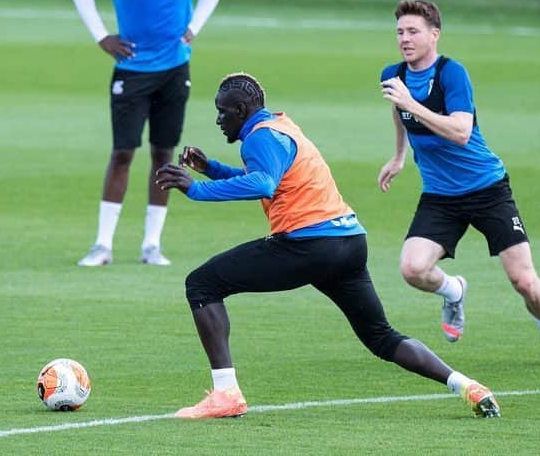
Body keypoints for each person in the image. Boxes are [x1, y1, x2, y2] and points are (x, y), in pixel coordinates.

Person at [155, 73, 500, 419]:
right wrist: (211, 169)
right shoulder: (280, 126)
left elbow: (263, 183)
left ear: (242, 110)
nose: (218, 120)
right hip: (348, 242)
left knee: (201, 284)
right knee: (381, 337)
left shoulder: (258, 139)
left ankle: (226, 393)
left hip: (310, 246)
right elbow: (270, 175)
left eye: (222, 112)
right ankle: (466, 385)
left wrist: (195, 190)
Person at [377, 0, 540, 368]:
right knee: (412, 269)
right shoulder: (395, 75)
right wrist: (399, 156)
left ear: (434, 35)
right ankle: (454, 290)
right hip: (440, 196)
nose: (404, 38)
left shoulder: (452, 74)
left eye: (413, 31)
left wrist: (411, 104)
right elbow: (397, 109)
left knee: (524, 282)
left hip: (487, 189)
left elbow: (461, 132)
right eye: (400, 31)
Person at [69, 0, 225, 267]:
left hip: (175, 67)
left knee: (163, 153)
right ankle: (103, 245)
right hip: (132, 68)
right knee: (122, 153)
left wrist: (195, 27)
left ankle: (151, 245)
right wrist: (102, 36)